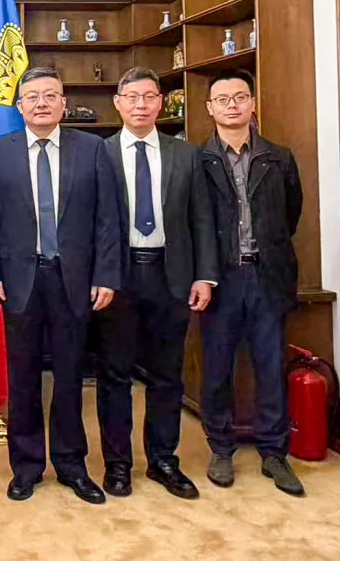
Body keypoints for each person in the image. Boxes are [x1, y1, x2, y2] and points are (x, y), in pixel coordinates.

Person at [0, 66, 120, 505]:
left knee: (69, 376)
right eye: (33, 96)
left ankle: (72, 464)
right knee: (22, 377)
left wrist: (105, 275)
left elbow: (107, 219)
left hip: (73, 279)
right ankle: (26, 467)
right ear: (19, 106)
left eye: (50, 95)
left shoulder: (92, 149)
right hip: (18, 280)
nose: (41, 103)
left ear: (63, 103)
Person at [94, 67, 219, 500]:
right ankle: (117, 463)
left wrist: (204, 275)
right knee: (115, 374)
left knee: (168, 375)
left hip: (172, 274)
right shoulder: (99, 154)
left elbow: (202, 218)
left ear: (161, 102)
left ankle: (163, 460)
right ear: (118, 103)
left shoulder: (186, 154)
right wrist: (98, 276)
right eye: (132, 97)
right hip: (118, 276)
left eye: (149, 97)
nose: (141, 105)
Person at [200, 68, 305, 496]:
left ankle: (274, 452)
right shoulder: (198, 161)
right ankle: (220, 448)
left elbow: (290, 215)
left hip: (267, 275)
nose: (232, 105)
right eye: (223, 99)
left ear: (253, 103)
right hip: (220, 278)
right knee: (216, 366)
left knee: (270, 364)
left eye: (240, 97)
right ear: (210, 108)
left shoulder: (279, 158)